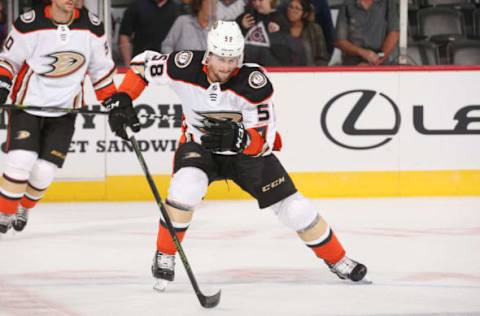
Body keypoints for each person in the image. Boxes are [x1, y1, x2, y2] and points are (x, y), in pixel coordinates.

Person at [103, 20, 369, 291]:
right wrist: (125, 96)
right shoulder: (183, 66)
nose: (227, 66)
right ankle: (165, 254)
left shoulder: (254, 82)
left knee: (296, 210)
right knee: (185, 189)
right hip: (200, 147)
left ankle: (338, 259)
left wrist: (242, 138)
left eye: (233, 59)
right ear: (209, 54)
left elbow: (265, 140)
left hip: (245, 155)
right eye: (221, 59)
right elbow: (142, 64)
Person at [0, 0, 118, 233]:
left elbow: (100, 70)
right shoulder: (28, 24)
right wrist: (2, 84)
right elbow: (8, 60)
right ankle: (5, 211)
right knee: (21, 159)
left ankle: (24, 207)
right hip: (27, 106)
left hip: (65, 111)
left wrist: (115, 105)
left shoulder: (92, 27)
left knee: (44, 172)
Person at [335, 0, 400, 66]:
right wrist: (362, 53)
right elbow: (340, 41)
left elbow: (394, 33)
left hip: (380, 60)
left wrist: (379, 57)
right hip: (353, 62)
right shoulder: (347, 4)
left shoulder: (387, 2)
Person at [118, 0, 179, 66]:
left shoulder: (177, 8)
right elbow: (124, 35)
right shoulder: (136, 6)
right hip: (141, 62)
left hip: (169, 64)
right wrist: (128, 64)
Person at [236, 0, 293, 66]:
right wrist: (241, 26)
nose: (256, 3)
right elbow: (232, 37)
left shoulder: (280, 19)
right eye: (254, 1)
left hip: (269, 68)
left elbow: (285, 51)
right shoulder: (247, 16)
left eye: (260, 0)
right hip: (244, 65)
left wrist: (277, 34)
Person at [285, 0, 330, 65]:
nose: (292, 11)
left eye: (297, 8)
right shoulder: (281, 27)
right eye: (290, 7)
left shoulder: (314, 29)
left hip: (310, 71)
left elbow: (322, 57)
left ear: (305, 14)